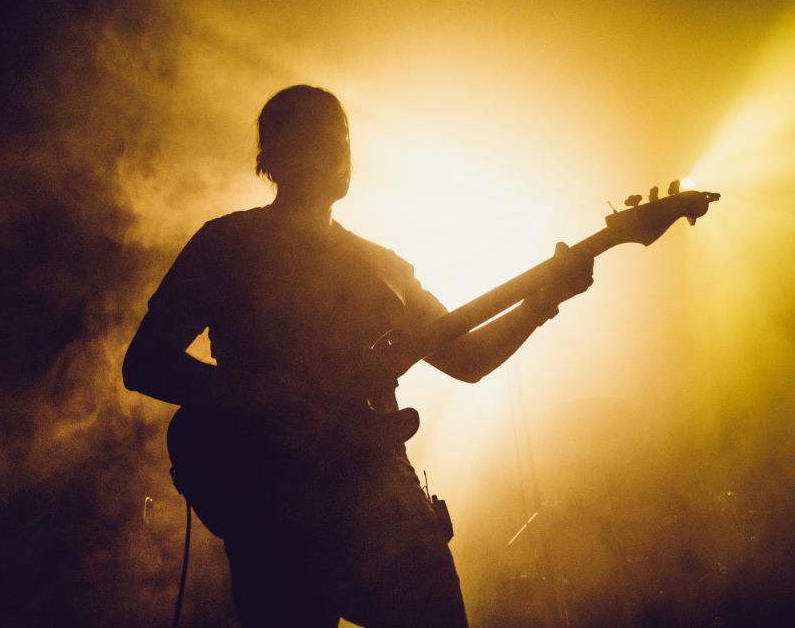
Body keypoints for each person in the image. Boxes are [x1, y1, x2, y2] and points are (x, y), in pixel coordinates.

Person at [123, 85, 593, 627]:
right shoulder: (228, 244)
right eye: (321, 138)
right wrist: (266, 392)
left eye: (343, 138)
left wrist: (542, 302)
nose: (339, 152)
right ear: (273, 156)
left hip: (380, 496)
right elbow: (144, 364)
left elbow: (467, 360)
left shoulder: (380, 266)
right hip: (276, 505)